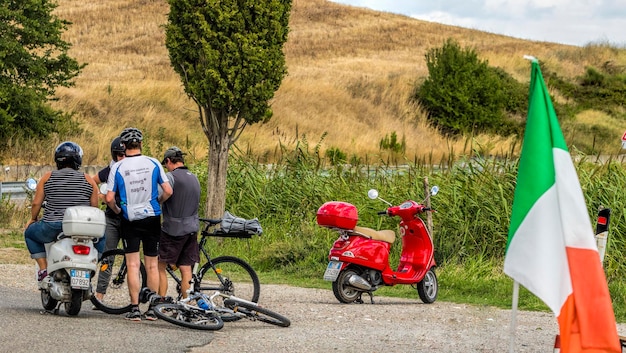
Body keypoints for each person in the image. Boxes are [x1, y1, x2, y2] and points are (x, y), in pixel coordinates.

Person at [105, 127, 172, 321]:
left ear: (124, 146)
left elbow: (109, 197)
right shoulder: (153, 162)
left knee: (132, 264)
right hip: (152, 217)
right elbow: (168, 191)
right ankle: (152, 309)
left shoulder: (118, 167)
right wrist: (156, 202)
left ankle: (134, 309)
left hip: (130, 218)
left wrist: (118, 211)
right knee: (152, 265)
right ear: (141, 144)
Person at [24, 141, 99, 287]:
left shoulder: (47, 177)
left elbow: (36, 204)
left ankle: (44, 270)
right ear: (78, 160)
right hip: (81, 228)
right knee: (101, 239)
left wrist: (33, 219)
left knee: (29, 234)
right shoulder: (89, 180)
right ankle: (93, 263)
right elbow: (94, 209)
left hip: (53, 226)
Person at [157, 147, 200, 300]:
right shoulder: (193, 177)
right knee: (186, 268)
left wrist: (159, 202)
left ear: (169, 161)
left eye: (166, 164)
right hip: (192, 229)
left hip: (174, 230)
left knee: (159, 266)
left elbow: (164, 193)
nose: (166, 167)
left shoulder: (170, 177)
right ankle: (187, 304)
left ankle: (159, 301)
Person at [93, 137, 126, 303]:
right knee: (107, 256)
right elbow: (92, 180)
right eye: (119, 155)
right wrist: (99, 195)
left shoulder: (134, 169)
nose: (122, 157)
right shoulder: (109, 169)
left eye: (125, 154)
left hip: (130, 219)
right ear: (114, 155)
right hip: (112, 219)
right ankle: (100, 296)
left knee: (133, 259)